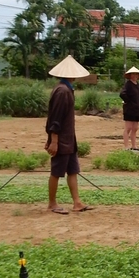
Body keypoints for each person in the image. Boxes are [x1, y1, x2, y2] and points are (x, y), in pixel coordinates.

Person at [45, 55, 93, 214]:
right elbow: (56, 119)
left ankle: (77, 202)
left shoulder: (65, 89)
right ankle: (52, 203)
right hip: (61, 140)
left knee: (73, 170)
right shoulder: (63, 91)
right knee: (56, 172)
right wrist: (54, 140)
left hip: (69, 140)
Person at [120, 65, 139, 151]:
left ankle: (134, 146)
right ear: (130, 75)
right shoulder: (128, 84)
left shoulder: (138, 85)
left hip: (137, 109)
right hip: (130, 109)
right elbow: (122, 94)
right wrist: (128, 102)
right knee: (128, 127)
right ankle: (126, 146)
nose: (135, 76)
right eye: (133, 74)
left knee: (135, 128)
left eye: (136, 74)